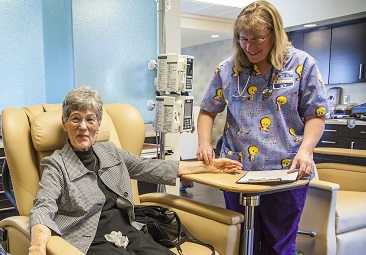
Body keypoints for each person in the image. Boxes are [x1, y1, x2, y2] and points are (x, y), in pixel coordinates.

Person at [28, 86, 242, 255]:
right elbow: (43, 207)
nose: (83, 126)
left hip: (130, 230)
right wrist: (37, 248)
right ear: (64, 122)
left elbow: (150, 167)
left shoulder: (109, 151)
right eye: (76, 118)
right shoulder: (56, 164)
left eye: (90, 119)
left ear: (98, 124)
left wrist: (207, 166)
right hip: (91, 240)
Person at [195, 1, 328, 254]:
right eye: (244, 39)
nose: (250, 47)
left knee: (278, 246)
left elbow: (317, 114)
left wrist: (306, 150)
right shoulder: (229, 69)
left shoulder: (302, 64)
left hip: (287, 170)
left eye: (258, 39)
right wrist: (203, 143)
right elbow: (207, 110)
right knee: (238, 241)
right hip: (237, 171)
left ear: (275, 35)